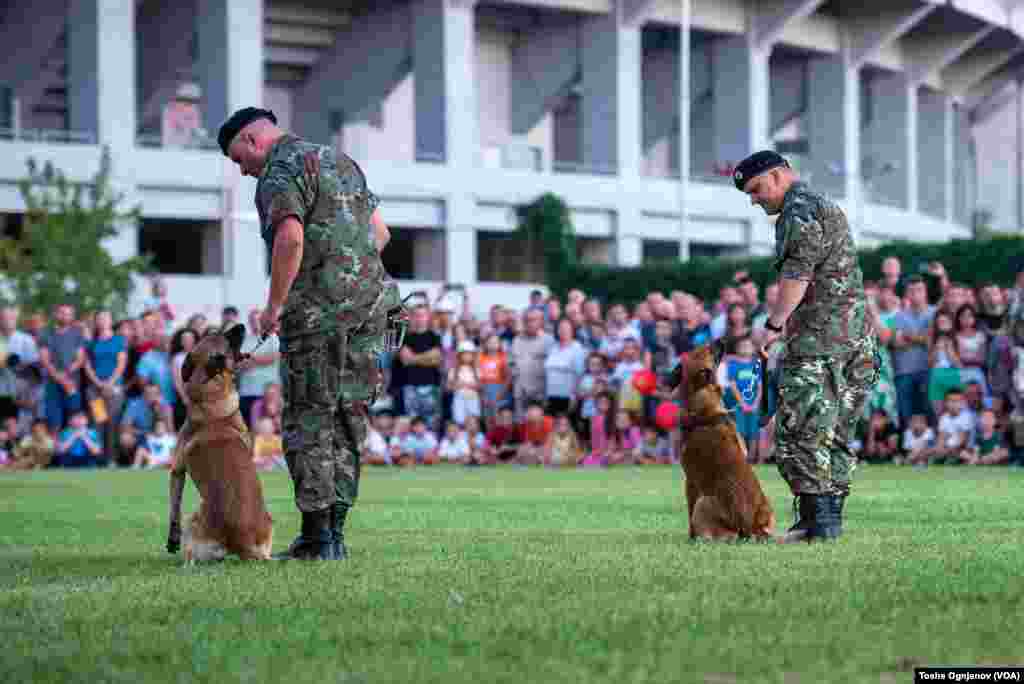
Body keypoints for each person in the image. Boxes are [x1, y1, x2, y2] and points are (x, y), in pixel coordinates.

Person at [218, 106, 401, 560]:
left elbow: (290, 239)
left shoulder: (280, 171)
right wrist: (348, 276)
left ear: (250, 141)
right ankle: (335, 532)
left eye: (238, 160)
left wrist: (275, 305)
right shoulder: (341, 162)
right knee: (348, 418)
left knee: (309, 420)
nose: (242, 171)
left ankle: (319, 538)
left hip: (316, 318)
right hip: (369, 310)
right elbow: (380, 233)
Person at [737, 150, 878, 542]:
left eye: (757, 188)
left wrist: (773, 326)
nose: (754, 199)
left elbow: (797, 277)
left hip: (819, 342)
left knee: (799, 430)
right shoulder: (823, 206)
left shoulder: (796, 214)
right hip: (856, 340)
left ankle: (817, 523)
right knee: (835, 431)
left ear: (780, 175)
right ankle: (827, 520)